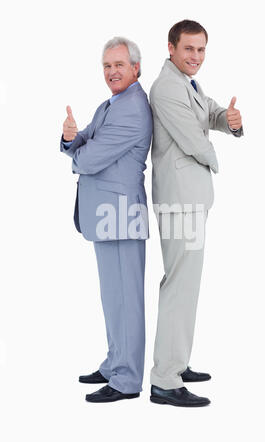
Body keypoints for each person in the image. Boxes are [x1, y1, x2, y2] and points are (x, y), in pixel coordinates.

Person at [149, 20, 243, 407]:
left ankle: (177, 362)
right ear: (171, 48)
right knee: (178, 285)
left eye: (202, 50)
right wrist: (216, 158)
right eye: (189, 49)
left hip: (191, 199)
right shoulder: (167, 87)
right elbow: (192, 138)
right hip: (180, 201)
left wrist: (229, 122)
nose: (196, 57)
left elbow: (210, 113)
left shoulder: (188, 83)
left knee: (187, 286)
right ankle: (165, 380)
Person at [60, 37, 153, 403]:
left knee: (126, 299)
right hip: (108, 214)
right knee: (113, 297)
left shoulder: (132, 107)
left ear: (135, 68)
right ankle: (116, 361)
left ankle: (127, 379)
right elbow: (83, 140)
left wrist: (76, 153)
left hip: (121, 214)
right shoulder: (111, 103)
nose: (112, 71)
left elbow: (90, 158)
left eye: (119, 64)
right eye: (106, 66)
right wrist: (70, 138)